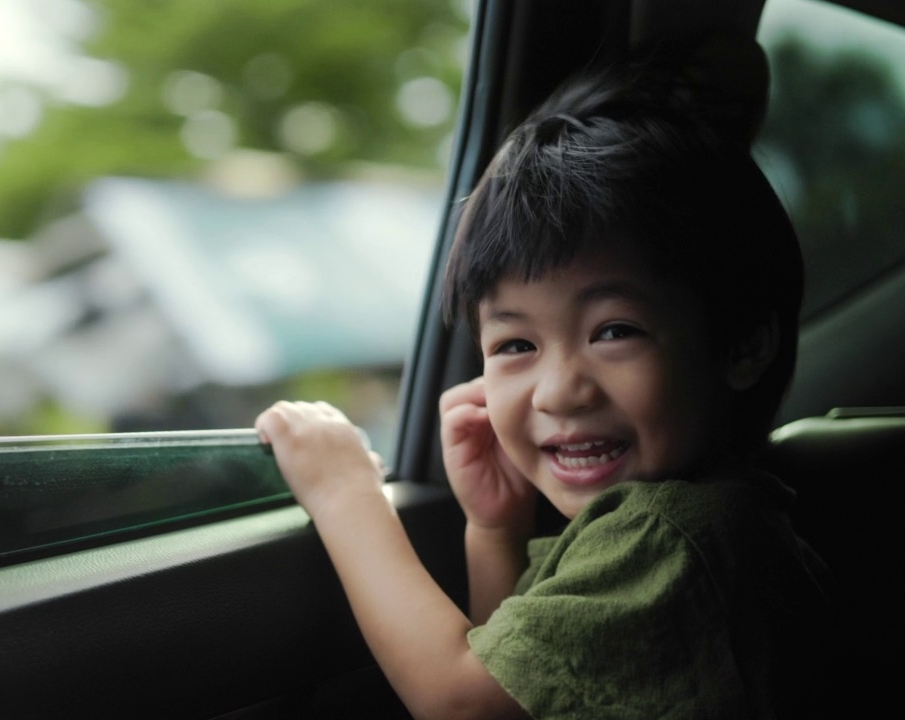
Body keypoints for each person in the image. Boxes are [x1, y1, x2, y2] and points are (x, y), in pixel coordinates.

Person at [255, 61, 833, 719]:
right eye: (515, 346)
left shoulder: (670, 535)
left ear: (741, 345)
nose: (559, 391)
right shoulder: (695, 519)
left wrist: (344, 492)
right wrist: (495, 529)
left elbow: (462, 704)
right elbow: (523, 696)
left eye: (614, 331)